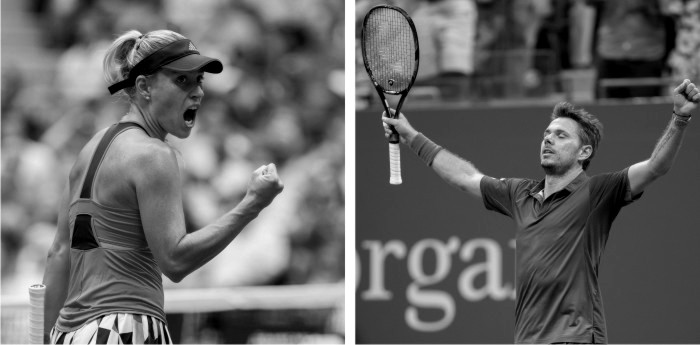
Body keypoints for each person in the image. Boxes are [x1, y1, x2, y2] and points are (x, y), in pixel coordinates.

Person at [381, 79, 698, 343]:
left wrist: (679, 118)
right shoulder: (519, 193)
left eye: (561, 136)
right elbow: (465, 177)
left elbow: (656, 167)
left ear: (583, 152)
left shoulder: (598, 192)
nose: (548, 139)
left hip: (573, 338)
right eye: (547, 134)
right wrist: (410, 135)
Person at [42, 29, 284, 344]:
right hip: (126, 328)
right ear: (144, 87)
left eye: (199, 80)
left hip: (70, 334)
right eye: (182, 80)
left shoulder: (91, 148)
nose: (197, 92)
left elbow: (59, 253)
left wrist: (44, 337)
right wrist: (252, 204)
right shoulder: (154, 155)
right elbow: (176, 261)